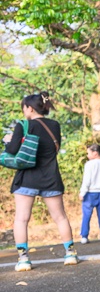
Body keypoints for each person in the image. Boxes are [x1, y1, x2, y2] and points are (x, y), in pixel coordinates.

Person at [3, 92, 77, 271]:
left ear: (29, 108)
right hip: (50, 177)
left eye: (24, 108)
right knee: (60, 217)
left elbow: (13, 149)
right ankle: (70, 254)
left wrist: (7, 141)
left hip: (27, 178)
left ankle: (23, 259)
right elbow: (53, 147)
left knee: (21, 219)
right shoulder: (55, 125)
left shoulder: (24, 125)